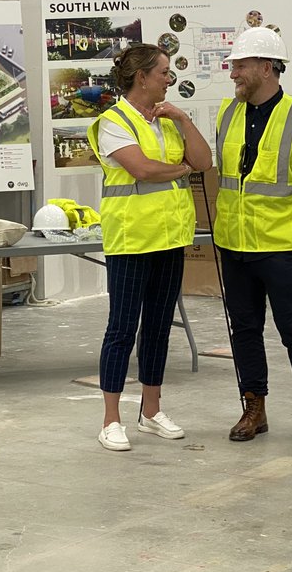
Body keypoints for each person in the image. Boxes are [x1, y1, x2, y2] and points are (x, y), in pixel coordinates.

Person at [215, 27, 292, 444]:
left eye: (241, 65)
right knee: (245, 329)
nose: (233, 73)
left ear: (266, 68)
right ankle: (254, 408)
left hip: (282, 247)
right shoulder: (226, 114)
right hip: (233, 244)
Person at [86, 44, 212, 451]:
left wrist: (183, 119)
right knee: (122, 328)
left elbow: (204, 161)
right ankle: (110, 419)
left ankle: (151, 411)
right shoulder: (113, 121)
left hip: (171, 237)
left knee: (158, 328)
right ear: (142, 77)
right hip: (131, 239)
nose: (168, 79)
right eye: (163, 72)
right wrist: (182, 169)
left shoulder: (167, 119)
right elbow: (141, 168)